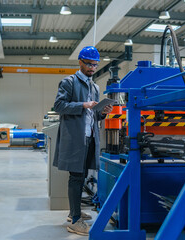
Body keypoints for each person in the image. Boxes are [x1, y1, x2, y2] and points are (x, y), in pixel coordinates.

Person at [53, 46, 113, 236]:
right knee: (76, 177)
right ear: (80, 62)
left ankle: (74, 213)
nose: (92, 68)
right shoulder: (69, 82)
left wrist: (102, 113)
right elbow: (59, 105)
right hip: (75, 138)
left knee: (83, 176)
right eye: (89, 64)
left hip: (90, 137)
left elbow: (93, 116)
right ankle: (76, 220)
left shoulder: (94, 87)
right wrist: (83, 104)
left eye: (95, 65)